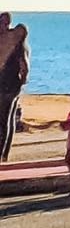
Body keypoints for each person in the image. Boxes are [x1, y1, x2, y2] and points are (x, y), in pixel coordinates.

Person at [0, 14, 30, 161]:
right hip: (9, 84)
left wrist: (22, 81)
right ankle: (4, 153)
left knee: (5, 118)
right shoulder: (11, 40)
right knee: (8, 118)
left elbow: (24, 63)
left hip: (9, 84)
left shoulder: (15, 41)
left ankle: (2, 154)